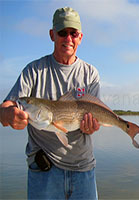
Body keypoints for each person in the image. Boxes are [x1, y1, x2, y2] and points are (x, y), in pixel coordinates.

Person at [0, 7, 100, 199]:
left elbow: (95, 112)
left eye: (73, 33)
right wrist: (8, 115)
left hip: (84, 169)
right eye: (62, 32)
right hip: (44, 171)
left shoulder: (90, 74)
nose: (68, 38)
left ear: (80, 37)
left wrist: (91, 127)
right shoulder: (33, 70)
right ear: (52, 34)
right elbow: (6, 107)